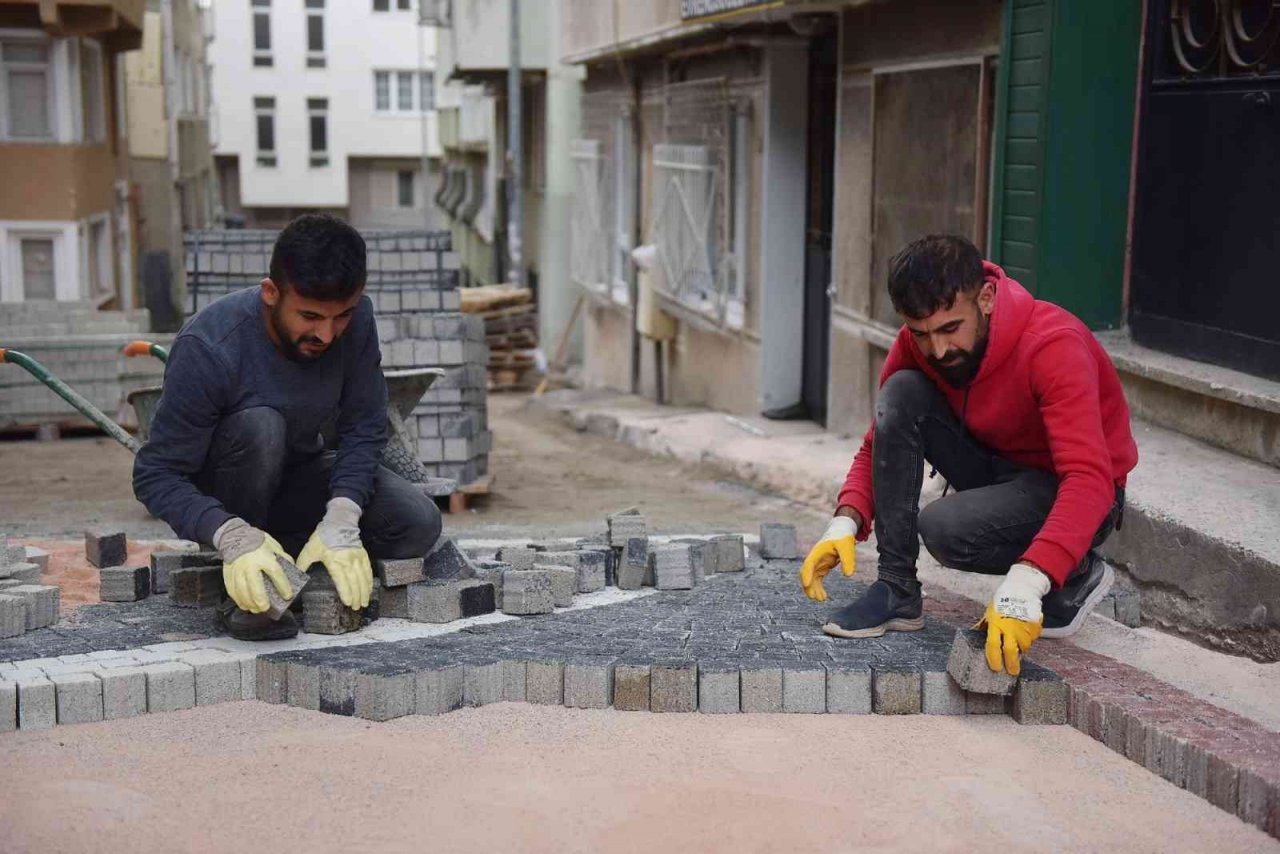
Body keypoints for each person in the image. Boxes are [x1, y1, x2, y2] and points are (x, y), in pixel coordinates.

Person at [799, 234, 1137, 675]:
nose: (938, 350)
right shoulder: (917, 345)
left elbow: (1089, 479)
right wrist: (846, 520)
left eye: (949, 329)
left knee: (944, 528)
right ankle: (897, 589)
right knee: (900, 391)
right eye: (921, 334)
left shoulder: (1054, 344)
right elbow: (878, 440)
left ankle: (1071, 571)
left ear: (987, 298)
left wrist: (1030, 578)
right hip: (998, 469)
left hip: (1078, 491)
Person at [133, 214, 441, 641]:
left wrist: (342, 516)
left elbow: (365, 425)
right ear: (270, 293)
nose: (327, 334)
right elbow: (155, 474)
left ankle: (301, 561)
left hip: (298, 478)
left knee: (417, 522)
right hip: (231, 494)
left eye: (341, 316)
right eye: (310, 316)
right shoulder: (210, 346)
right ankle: (245, 580)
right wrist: (230, 534)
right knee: (263, 426)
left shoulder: (357, 322)